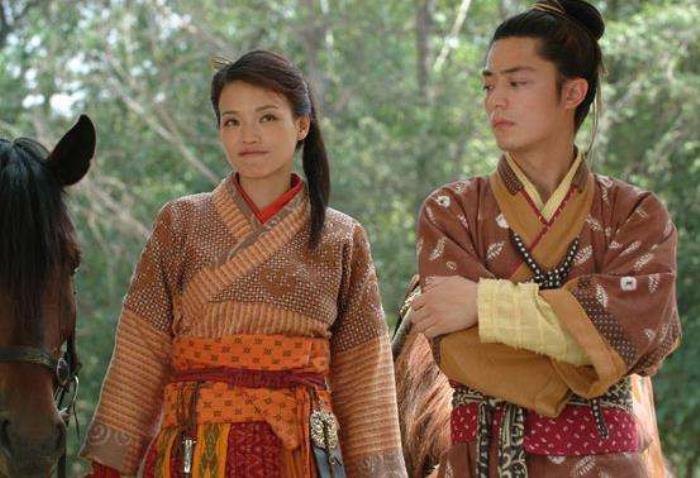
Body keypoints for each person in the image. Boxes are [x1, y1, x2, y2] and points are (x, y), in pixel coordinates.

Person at [81, 50, 406, 477]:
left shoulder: (341, 237)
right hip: (194, 450)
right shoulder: (180, 223)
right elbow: (139, 354)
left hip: (301, 455)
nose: (248, 135)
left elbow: (365, 378)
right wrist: (109, 469)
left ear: (302, 125)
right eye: (231, 121)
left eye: (267, 117)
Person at [404, 1, 680, 476]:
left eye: (516, 83)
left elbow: (635, 334)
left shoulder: (636, 215)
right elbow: (460, 351)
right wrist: (593, 354)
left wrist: (482, 304)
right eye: (489, 85)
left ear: (572, 91)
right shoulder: (452, 211)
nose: (495, 100)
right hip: (482, 463)